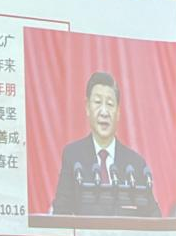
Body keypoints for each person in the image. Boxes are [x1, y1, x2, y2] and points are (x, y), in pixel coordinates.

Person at [50, 71, 161, 216]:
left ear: (118, 112)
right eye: (97, 102)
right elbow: (60, 211)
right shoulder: (73, 156)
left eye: (110, 104)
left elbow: (153, 215)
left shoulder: (135, 164)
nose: (104, 112)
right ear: (87, 107)